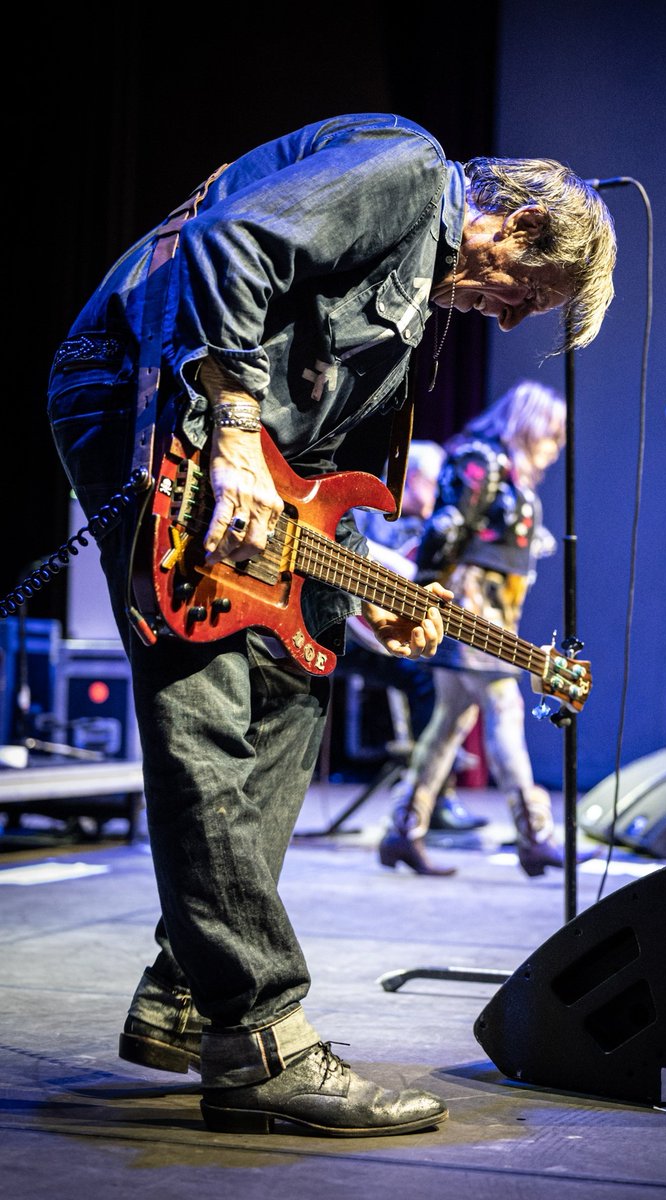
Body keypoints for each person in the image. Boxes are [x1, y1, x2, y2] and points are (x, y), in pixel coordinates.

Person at [46, 112, 616, 1138]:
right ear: (521, 224)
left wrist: (367, 584)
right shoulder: (410, 169)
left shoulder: (415, 302)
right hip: (142, 389)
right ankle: (259, 1037)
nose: (509, 321)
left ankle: (189, 990)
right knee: (206, 702)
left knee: (300, 678)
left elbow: (312, 476)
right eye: (528, 294)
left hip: (227, 442)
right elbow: (231, 240)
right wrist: (231, 438)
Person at [378, 380, 596, 879]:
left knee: (450, 721)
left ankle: (402, 831)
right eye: (552, 434)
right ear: (530, 425)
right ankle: (535, 835)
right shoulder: (481, 458)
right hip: (470, 608)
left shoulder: (505, 468)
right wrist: (423, 596)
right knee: (505, 708)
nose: (556, 447)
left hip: (494, 608)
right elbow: (446, 526)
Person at [343, 440, 488, 832]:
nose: (439, 492)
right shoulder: (367, 511)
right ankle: (434, 799)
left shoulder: (427, 529)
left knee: (446, 674)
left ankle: (434, 786)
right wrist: (404, 579)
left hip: (385, 639)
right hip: (348, 631)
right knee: (427, 683)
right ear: (411, 478)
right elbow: (352, 552)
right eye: (432, 483)